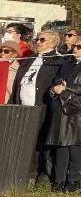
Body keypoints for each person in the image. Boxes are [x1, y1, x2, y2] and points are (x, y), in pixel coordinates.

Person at [12, 30, 63, 185]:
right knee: (24, 140)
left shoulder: (58, 60)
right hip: (23, 105)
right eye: (37, 39)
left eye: (42, 40)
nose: (38, 42)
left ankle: (42, 173)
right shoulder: (31, 58)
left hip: (42, 106)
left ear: (54, 42)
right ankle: (24, 171)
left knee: (41, 141)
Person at [46, 37, 81, 192]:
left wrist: (69, 87)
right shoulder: (66, 63)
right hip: (61, 107)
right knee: (62, 144)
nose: (75, 48)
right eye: (74, 46)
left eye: (79, 46)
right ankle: (59, 180)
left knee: (76, 145)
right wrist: (54, 90)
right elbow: (56, 83)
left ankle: (73, 179)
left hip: (80, 110)